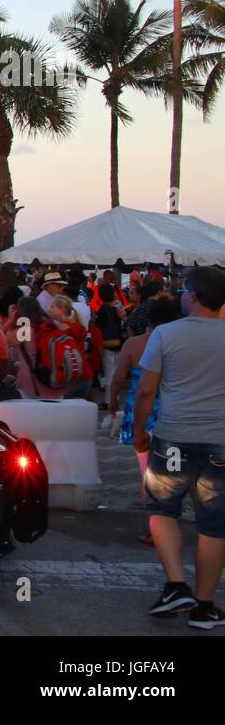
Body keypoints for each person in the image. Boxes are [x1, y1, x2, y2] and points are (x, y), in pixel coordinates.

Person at [133, 266, 225, 628]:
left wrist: (140, 430)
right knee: (215, 524)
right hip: (220, 440)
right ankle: (205, 605)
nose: (182, 296)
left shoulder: (167, 334)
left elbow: (145, 390)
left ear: (196, 296)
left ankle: (175, 584)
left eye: (186, 291)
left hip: (175, 436)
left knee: (161, 507)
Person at [107, 298, 178, 546]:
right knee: (171, 470)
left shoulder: (134, 344)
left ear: (147, 321)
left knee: (147, 472)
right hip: (172, 412)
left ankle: (154, 527)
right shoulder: (177, 343)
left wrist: (112, 400)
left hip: (141, 410)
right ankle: (170, 522)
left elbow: (117, 378)